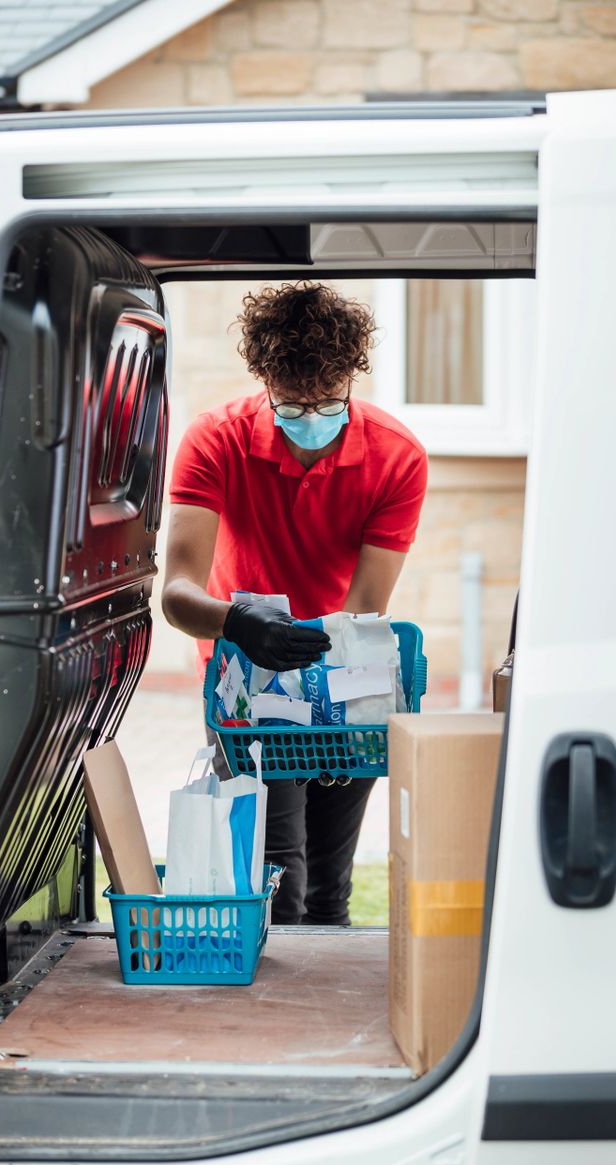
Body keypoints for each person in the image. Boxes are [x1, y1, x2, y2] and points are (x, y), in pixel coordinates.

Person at [162, 281, 427, 924]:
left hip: (343, 678)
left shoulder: (397, 458)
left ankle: (331, 1025)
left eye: (328, 400)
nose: (311, 417)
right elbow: (176, 593)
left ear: (352, 379)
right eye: (292, 403)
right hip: (245, 685)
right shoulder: (215, 441)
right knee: (275, 880)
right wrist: (237, 621)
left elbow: (363, 610)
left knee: (331, 892)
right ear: (264, 380)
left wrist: (331, 686)